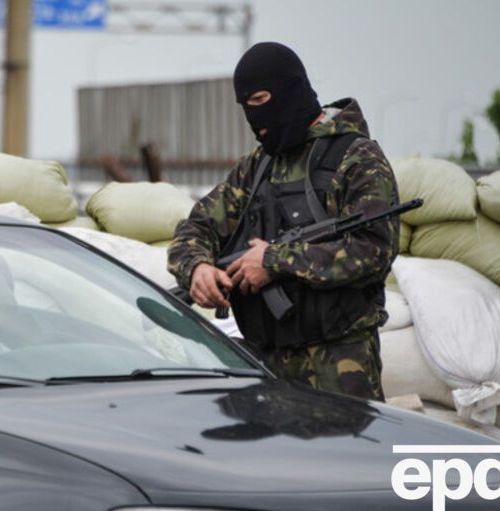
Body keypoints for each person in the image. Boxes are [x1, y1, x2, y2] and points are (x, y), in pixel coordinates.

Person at [168, 42, 398, 401]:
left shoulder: (355, 158)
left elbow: (374, 250)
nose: (254, 117)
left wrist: (276, 261)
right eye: (245, 107)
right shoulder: (256, 168)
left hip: (339, 366)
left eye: (260, 101)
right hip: (266, 366)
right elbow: (195, 228)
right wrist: (196, 269)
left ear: (289, 90)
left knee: (346, 457)